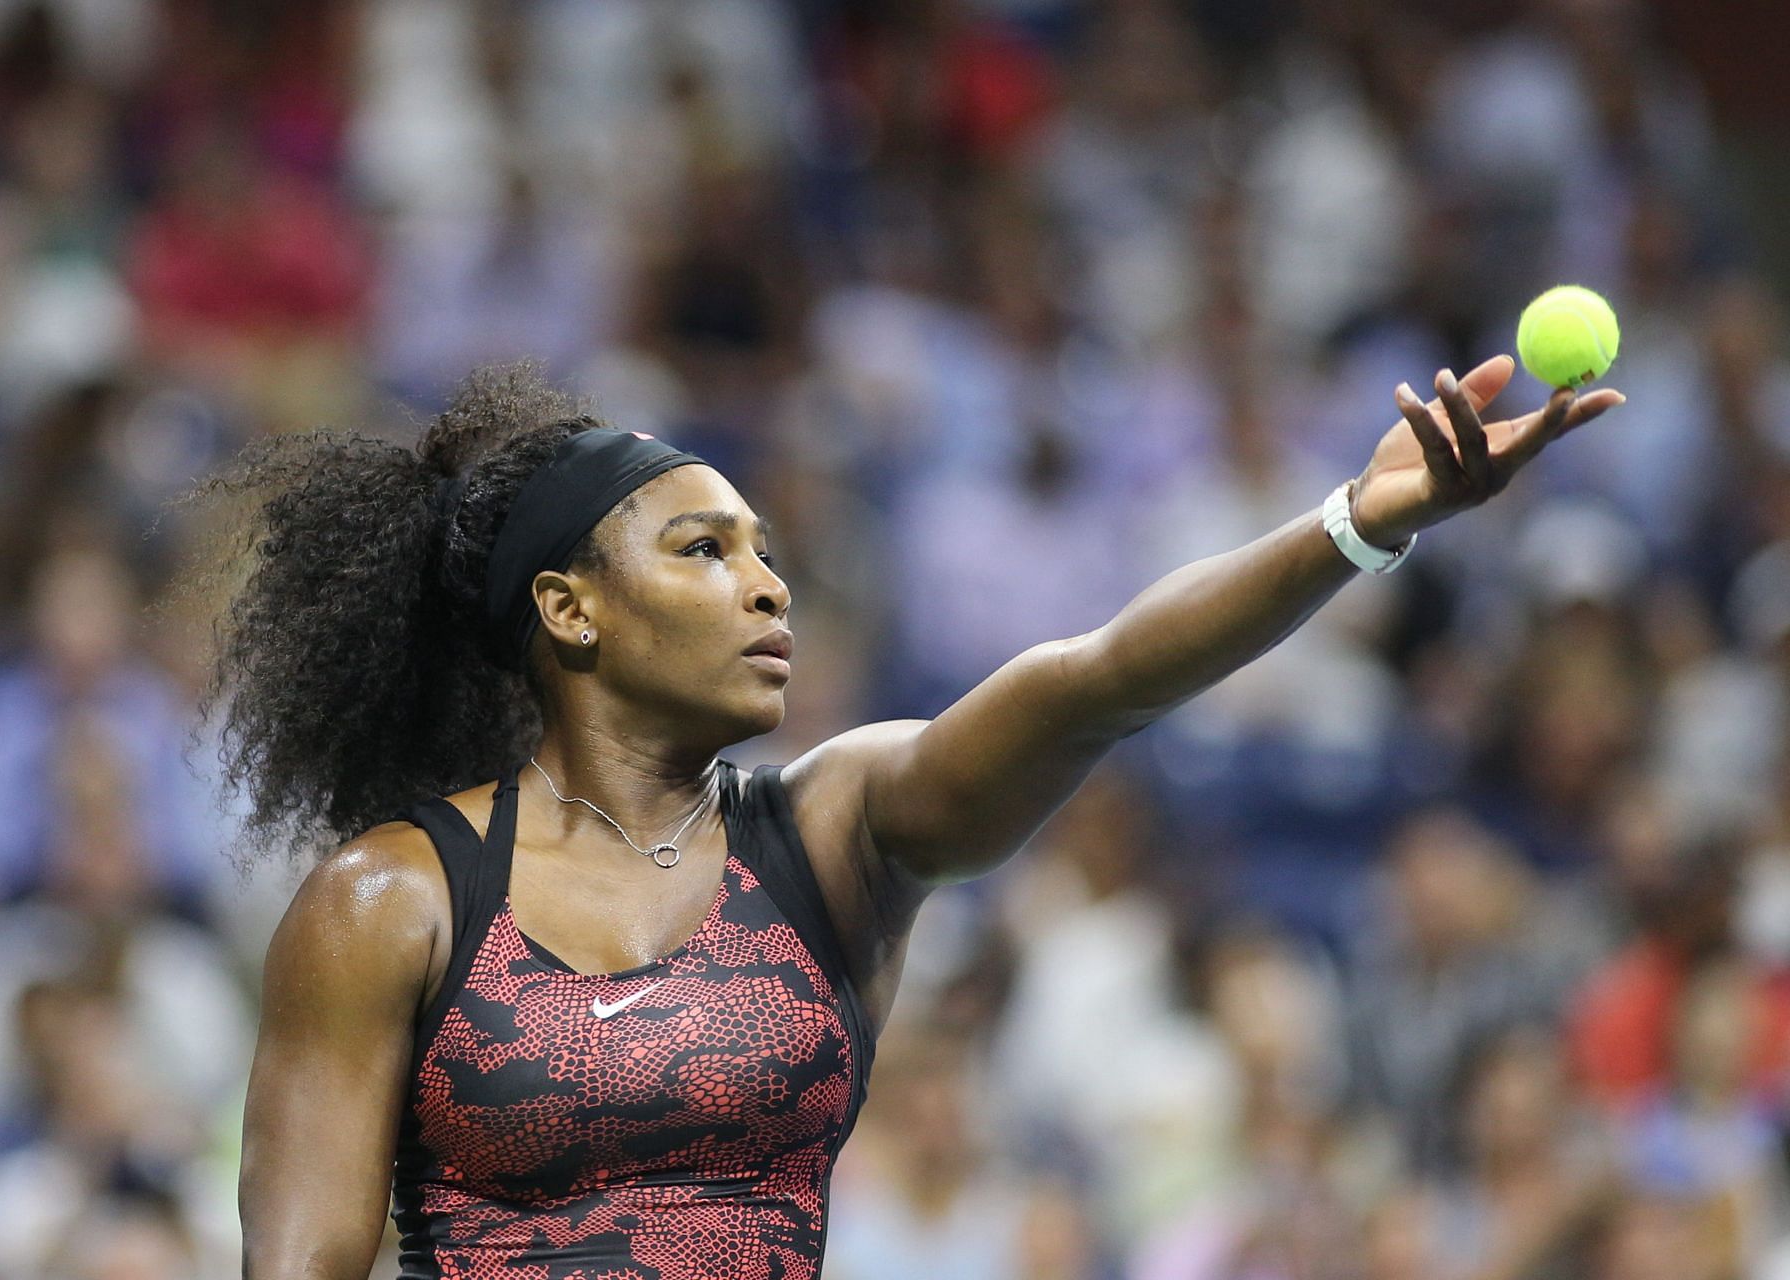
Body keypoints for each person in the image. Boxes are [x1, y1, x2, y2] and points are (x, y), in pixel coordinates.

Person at [216, 357, 1620, 1279]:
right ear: (567, 608)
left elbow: (1100, 679)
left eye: (769, 553)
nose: (768, 588)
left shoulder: (832, 832)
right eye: (704, 550)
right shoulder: (392, 900)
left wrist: (1358, 523)